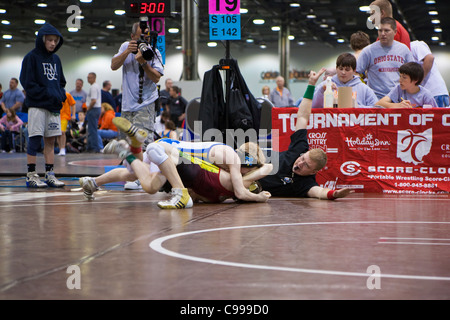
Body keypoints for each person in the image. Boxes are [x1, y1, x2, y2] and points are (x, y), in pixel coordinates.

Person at [79, 121, 271, 207]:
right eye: (250, 170)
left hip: (167, 146)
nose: (245, 173)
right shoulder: (234, 160)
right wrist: (260, 197)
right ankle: (128, 151)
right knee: (150, 186)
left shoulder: (225, 152)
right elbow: (240, 192)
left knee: (132, 175)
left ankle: (93, 183)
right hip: (170, 154)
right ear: (249, 163)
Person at [258, 68, 354, 200]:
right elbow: (303, 116)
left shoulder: (305, 184)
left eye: (306, 166)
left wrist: (335, 194)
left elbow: (318, 192)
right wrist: (311, 84)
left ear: (314, 172)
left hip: (249, 185)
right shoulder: (300, 148)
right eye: (302, 159)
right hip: (253, 162)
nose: (299, 164)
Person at [19, 23, 67, 188]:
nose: (53, 43)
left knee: (50, 141)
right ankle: (31, 175)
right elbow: (27, 83)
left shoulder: (56, 59)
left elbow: (61, 82)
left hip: (53, 107)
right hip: (37, 106)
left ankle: (50, 175)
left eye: (55, 40)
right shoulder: (31, 58)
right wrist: (48, 94)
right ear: (42, 40)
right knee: (34, 139)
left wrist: (60, 95)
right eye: (50, 40)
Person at [111, 20, 164, 150]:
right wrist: (127, 52)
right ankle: (130, 169)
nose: (143, 40)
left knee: (143, 143)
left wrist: (143, 62)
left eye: (146, 37)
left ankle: (143, 169)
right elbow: (113, 66)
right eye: (140, 37)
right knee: (125, 144)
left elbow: (156, 78)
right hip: (127, 105)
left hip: (145, 103)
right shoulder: (125, 47)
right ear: (132, 36)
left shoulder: (154, 52)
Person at [356, 17, 413, 100]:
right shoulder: (368, 51)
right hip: (375, 99)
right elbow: (356, 73)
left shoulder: (404, 50)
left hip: (399, 98)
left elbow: (412, 74)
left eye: (386, 30)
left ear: (395, 32)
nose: (382, 34)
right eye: (380, 30)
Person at [312, 53, 378, 108]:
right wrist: (322, 90)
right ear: (336, 68)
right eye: (340, 69)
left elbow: (376, 108)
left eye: (347, 70)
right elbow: (312, 106)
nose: (343, 72)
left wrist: (357, 107)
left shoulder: (364, 89)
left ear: (354, 70)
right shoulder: (324, 85)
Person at [410, 40, 449, 108]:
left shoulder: (415, 45)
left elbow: (430, 58)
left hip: (434, 93)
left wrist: (419, 79)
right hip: (423, 96)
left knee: (437, 118)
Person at [86, 72, 102, 153]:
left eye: (89, 77)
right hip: (96, 108)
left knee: (92, 129)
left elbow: (93, 100)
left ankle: (94, 147)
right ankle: (91, 146)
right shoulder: (96, 86)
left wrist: (88, 109)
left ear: (94, 78)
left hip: (93, 109)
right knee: (92, 128)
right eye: (87, 77)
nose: (88, 79)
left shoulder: (93, 87)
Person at [57, 91, 76, 156]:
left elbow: (73, 104)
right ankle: (60, 149)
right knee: (58, 133)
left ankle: (63, 148)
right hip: (56, 116)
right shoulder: (55, 93)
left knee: (62, 132)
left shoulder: (67, 95)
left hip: (64, 116)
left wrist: (73, 115)